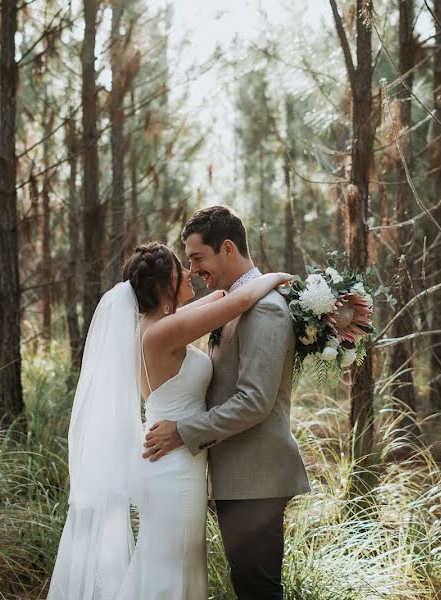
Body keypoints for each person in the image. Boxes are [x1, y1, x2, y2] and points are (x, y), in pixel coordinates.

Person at [48, 239, 290, 600]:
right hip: (173, 465)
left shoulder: (158, 325)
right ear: (165, 285)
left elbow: (224, 296)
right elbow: (237, 301)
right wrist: (278, 276)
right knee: (170, 566)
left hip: (175, 462)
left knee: (177, 561)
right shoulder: (163, 332)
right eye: (183, 268)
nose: (191, 272)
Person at [144, 205, 311, 599]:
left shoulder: (266, 309)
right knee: (249, 587)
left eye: (198, 258)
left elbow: (254, 401)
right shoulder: (237, 303)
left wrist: (182, 433)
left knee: (258, 590)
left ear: (229, 248)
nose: (194, 271)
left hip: (256, 478)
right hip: (235, 476)